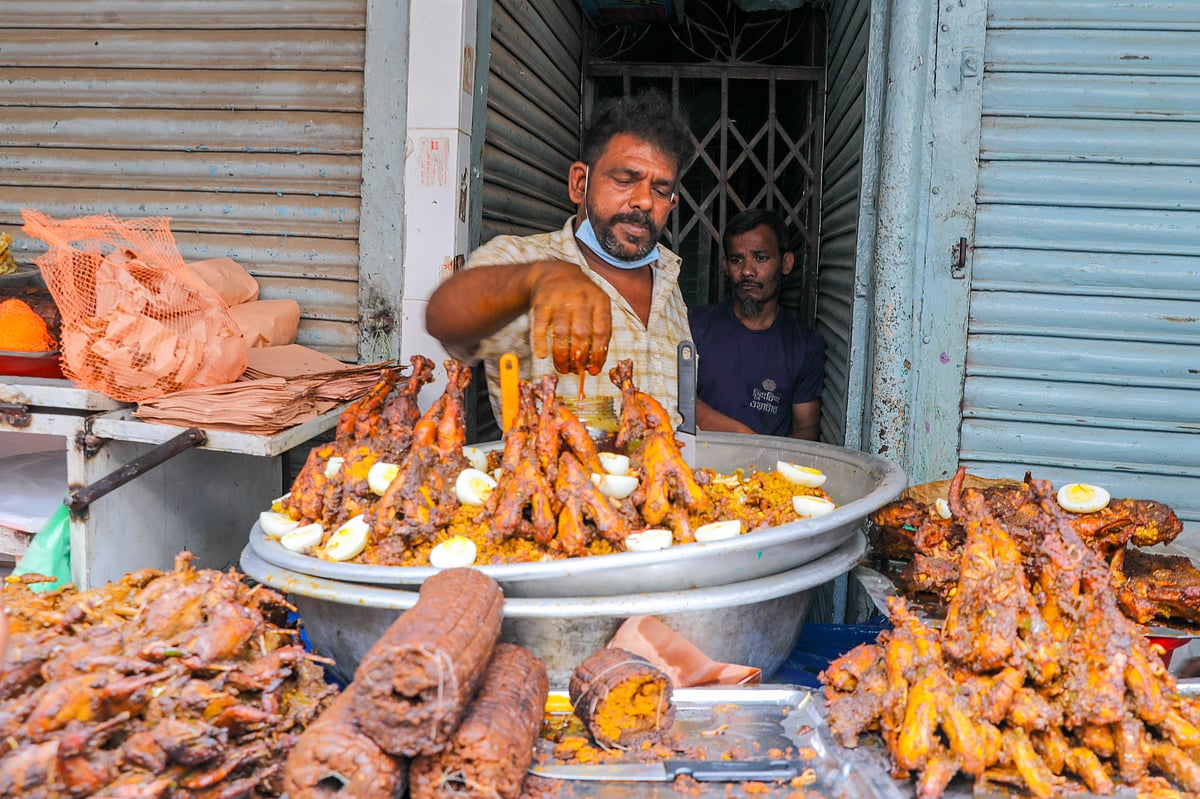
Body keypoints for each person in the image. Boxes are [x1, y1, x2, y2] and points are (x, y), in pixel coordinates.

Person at [425, 91, 693, 427]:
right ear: (580, 183)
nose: (643, 201)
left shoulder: (668, 276)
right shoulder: (526, 259)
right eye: (625, 181)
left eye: (659, 190)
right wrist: (539, 279)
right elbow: (441, 314)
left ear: (671, 202)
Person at [688, 209, 825, 440]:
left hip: (764, 472)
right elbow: (675, 399)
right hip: (697, 467)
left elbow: (806, 427)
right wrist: (745, 437)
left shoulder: (804, 344)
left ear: (786, 263)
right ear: (725, 265)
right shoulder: (694, 326)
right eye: (736, 259)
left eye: (760, 258)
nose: (747, 271)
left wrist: (776, 468)